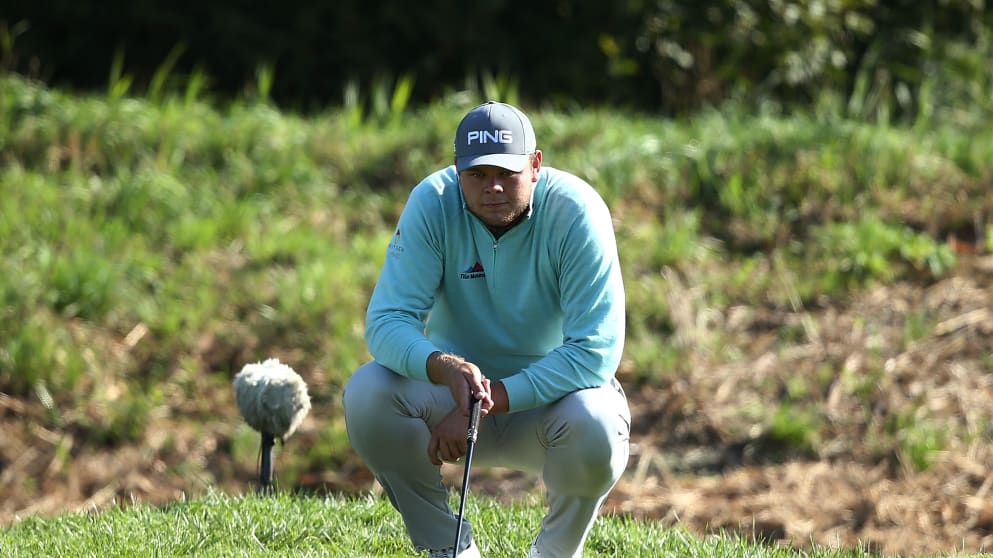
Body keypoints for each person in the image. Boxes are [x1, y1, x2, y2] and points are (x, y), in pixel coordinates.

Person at [343, 101, 631, 558]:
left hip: (551, 410)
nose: (492, 187)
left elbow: (595, 351)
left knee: (599, 423)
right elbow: (386, 322)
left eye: (507, 173)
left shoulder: (578, 211)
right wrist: (445, 368)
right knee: (368, 392)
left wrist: (488, 399)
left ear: (535, 166)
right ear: (457, 171)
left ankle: (553, 554)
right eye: (477, 175)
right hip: (451, 400)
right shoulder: (433, 202)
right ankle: (448, 549)